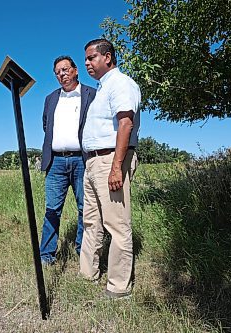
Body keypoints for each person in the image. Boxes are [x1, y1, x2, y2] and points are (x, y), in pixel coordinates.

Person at [79, 39, 141, 299]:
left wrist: (117, 167)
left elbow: (125, 124)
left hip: (110, 160)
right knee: (91, 220)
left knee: (116, 224)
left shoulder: (121, 83)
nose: (87, 64)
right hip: (93, 162)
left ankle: (118, 287)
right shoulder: (102, 89)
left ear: (108, 57)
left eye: (91, 58)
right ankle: (88, 274)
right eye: (85, 60)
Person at [39, 55, 96, 266]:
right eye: (57, 73)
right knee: (52, 209)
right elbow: (47, 126)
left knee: (85, 208)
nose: (61, 74)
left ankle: (83, 251)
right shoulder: (51, 98)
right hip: (56, 163)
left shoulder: (92, 94)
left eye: (65, 70)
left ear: (75, 70)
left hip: (82, 161)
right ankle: (46, 255)